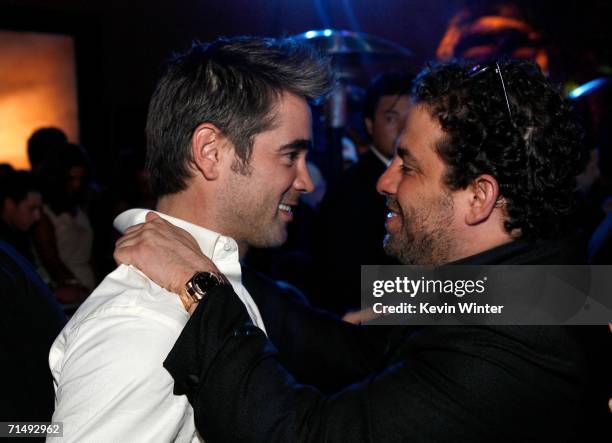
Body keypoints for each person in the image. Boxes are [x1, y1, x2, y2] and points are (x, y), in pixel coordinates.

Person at [115, 59, 611, 442]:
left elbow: (307, 435)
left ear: (478, 197)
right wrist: (222, 269)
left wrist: (201, 288)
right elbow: (359, 351)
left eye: (408, 165)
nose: (384, 180)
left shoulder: (513, 350)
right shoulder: (545, 282)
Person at [48, 36, 332, 442]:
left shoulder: (220, 283)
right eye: (290, 156)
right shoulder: (142, 324)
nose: (305, 181)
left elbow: (342, 342)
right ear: (210, 151)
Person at [312, 71, 413, 314]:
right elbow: (341, 275)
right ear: (369, 124)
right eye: (391, 118)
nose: (402, 129)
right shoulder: (350, 188)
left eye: (410, 119)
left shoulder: (423, 177)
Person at [0, 170, 42, 263]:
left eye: (39, 209)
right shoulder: (5, 246)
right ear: (9, 205)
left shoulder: (18, 234)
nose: (37, 216)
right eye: (32, 209)